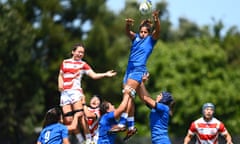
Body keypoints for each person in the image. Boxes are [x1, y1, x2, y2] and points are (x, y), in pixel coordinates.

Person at [109, 10, 161, 141]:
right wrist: (127, 24)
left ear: (149, 33)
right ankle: (131, 127)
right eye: (141, 31)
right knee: (129, 98)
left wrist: (156, 19)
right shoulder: (136, 38)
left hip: (138, 71)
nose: (143, 34)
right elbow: (127, 32)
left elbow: (158, 30)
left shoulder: (150, 40)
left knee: (127, 94)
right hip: (128, 71)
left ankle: (122, 123)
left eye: (145, 32)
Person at [58, 43, 117, 143]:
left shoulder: (83, 64)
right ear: (73, 52)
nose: (80, 54)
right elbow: (60, 75)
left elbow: (93, 75)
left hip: (75, 92)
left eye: (82, 52)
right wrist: (60, 85)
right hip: (64, 93)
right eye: (79, 52)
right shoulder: (65, 62)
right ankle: (81, 141)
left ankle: (88, 139)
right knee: (68, 120)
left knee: (81, 115)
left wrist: (105, 74)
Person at [138, 77, 175, 144]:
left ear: (164, 99)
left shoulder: (164, 107)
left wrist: (139, 80)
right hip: (157, 141)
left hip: (162, 142)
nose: (157, 95)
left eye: (160, 95)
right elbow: (144, 98)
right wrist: (141, 83)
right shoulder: (156, 109)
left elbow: (146, 99)